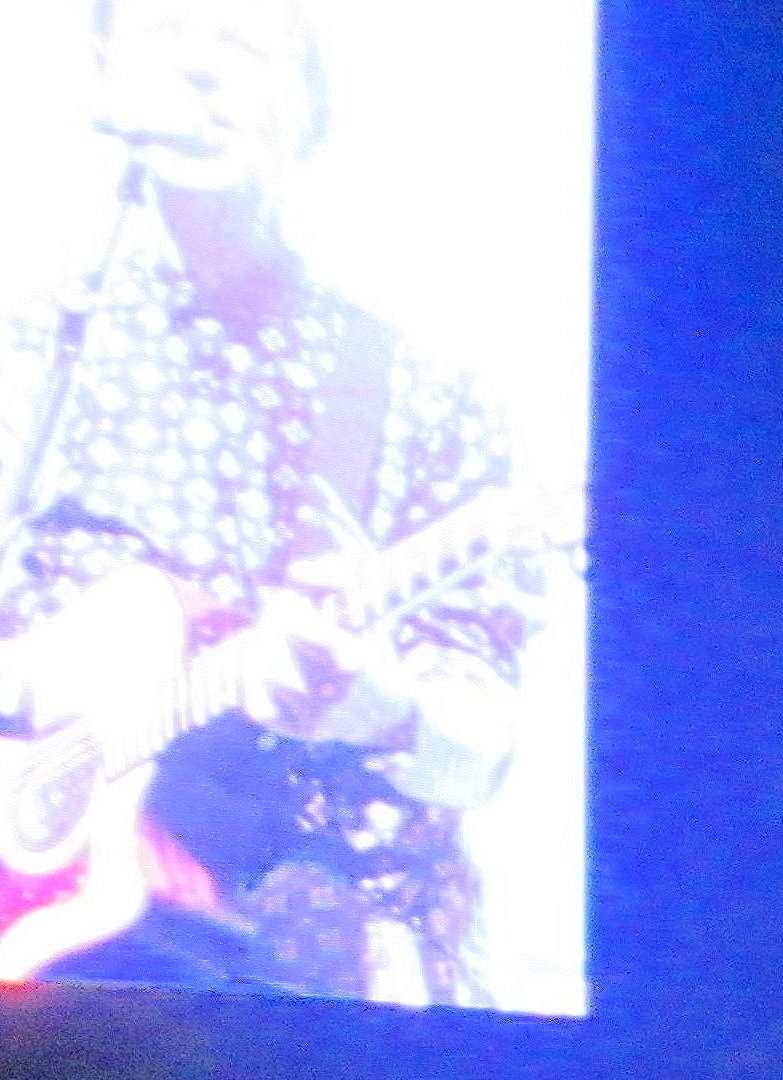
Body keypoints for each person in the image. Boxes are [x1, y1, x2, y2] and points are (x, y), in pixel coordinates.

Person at [1, 0, 544, 1000]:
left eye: (243, 44)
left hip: (310, 982)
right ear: (105, 69)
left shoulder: (419, 395)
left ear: (310, 110)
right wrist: (33, 694)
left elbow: (478, 752)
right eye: (166, 34)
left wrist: (383, 712)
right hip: (53, 949)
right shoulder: (28, 353)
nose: (200, 69)